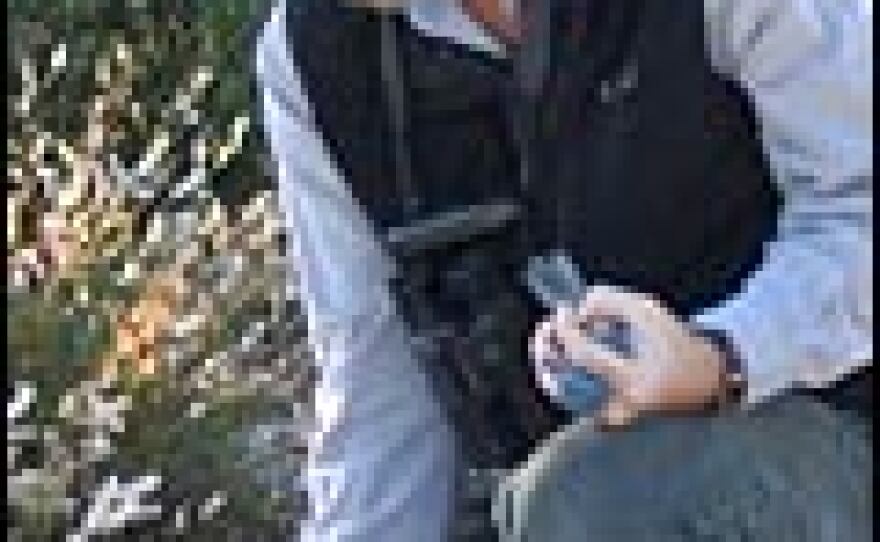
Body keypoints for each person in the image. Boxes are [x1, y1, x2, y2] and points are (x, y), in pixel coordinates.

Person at [255, 1, 873, 540]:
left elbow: (858, 213)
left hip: (831, 432)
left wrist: (720, 355)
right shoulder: (312, 57)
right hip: (554, 497)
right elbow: (375, 384)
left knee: (595, 496)